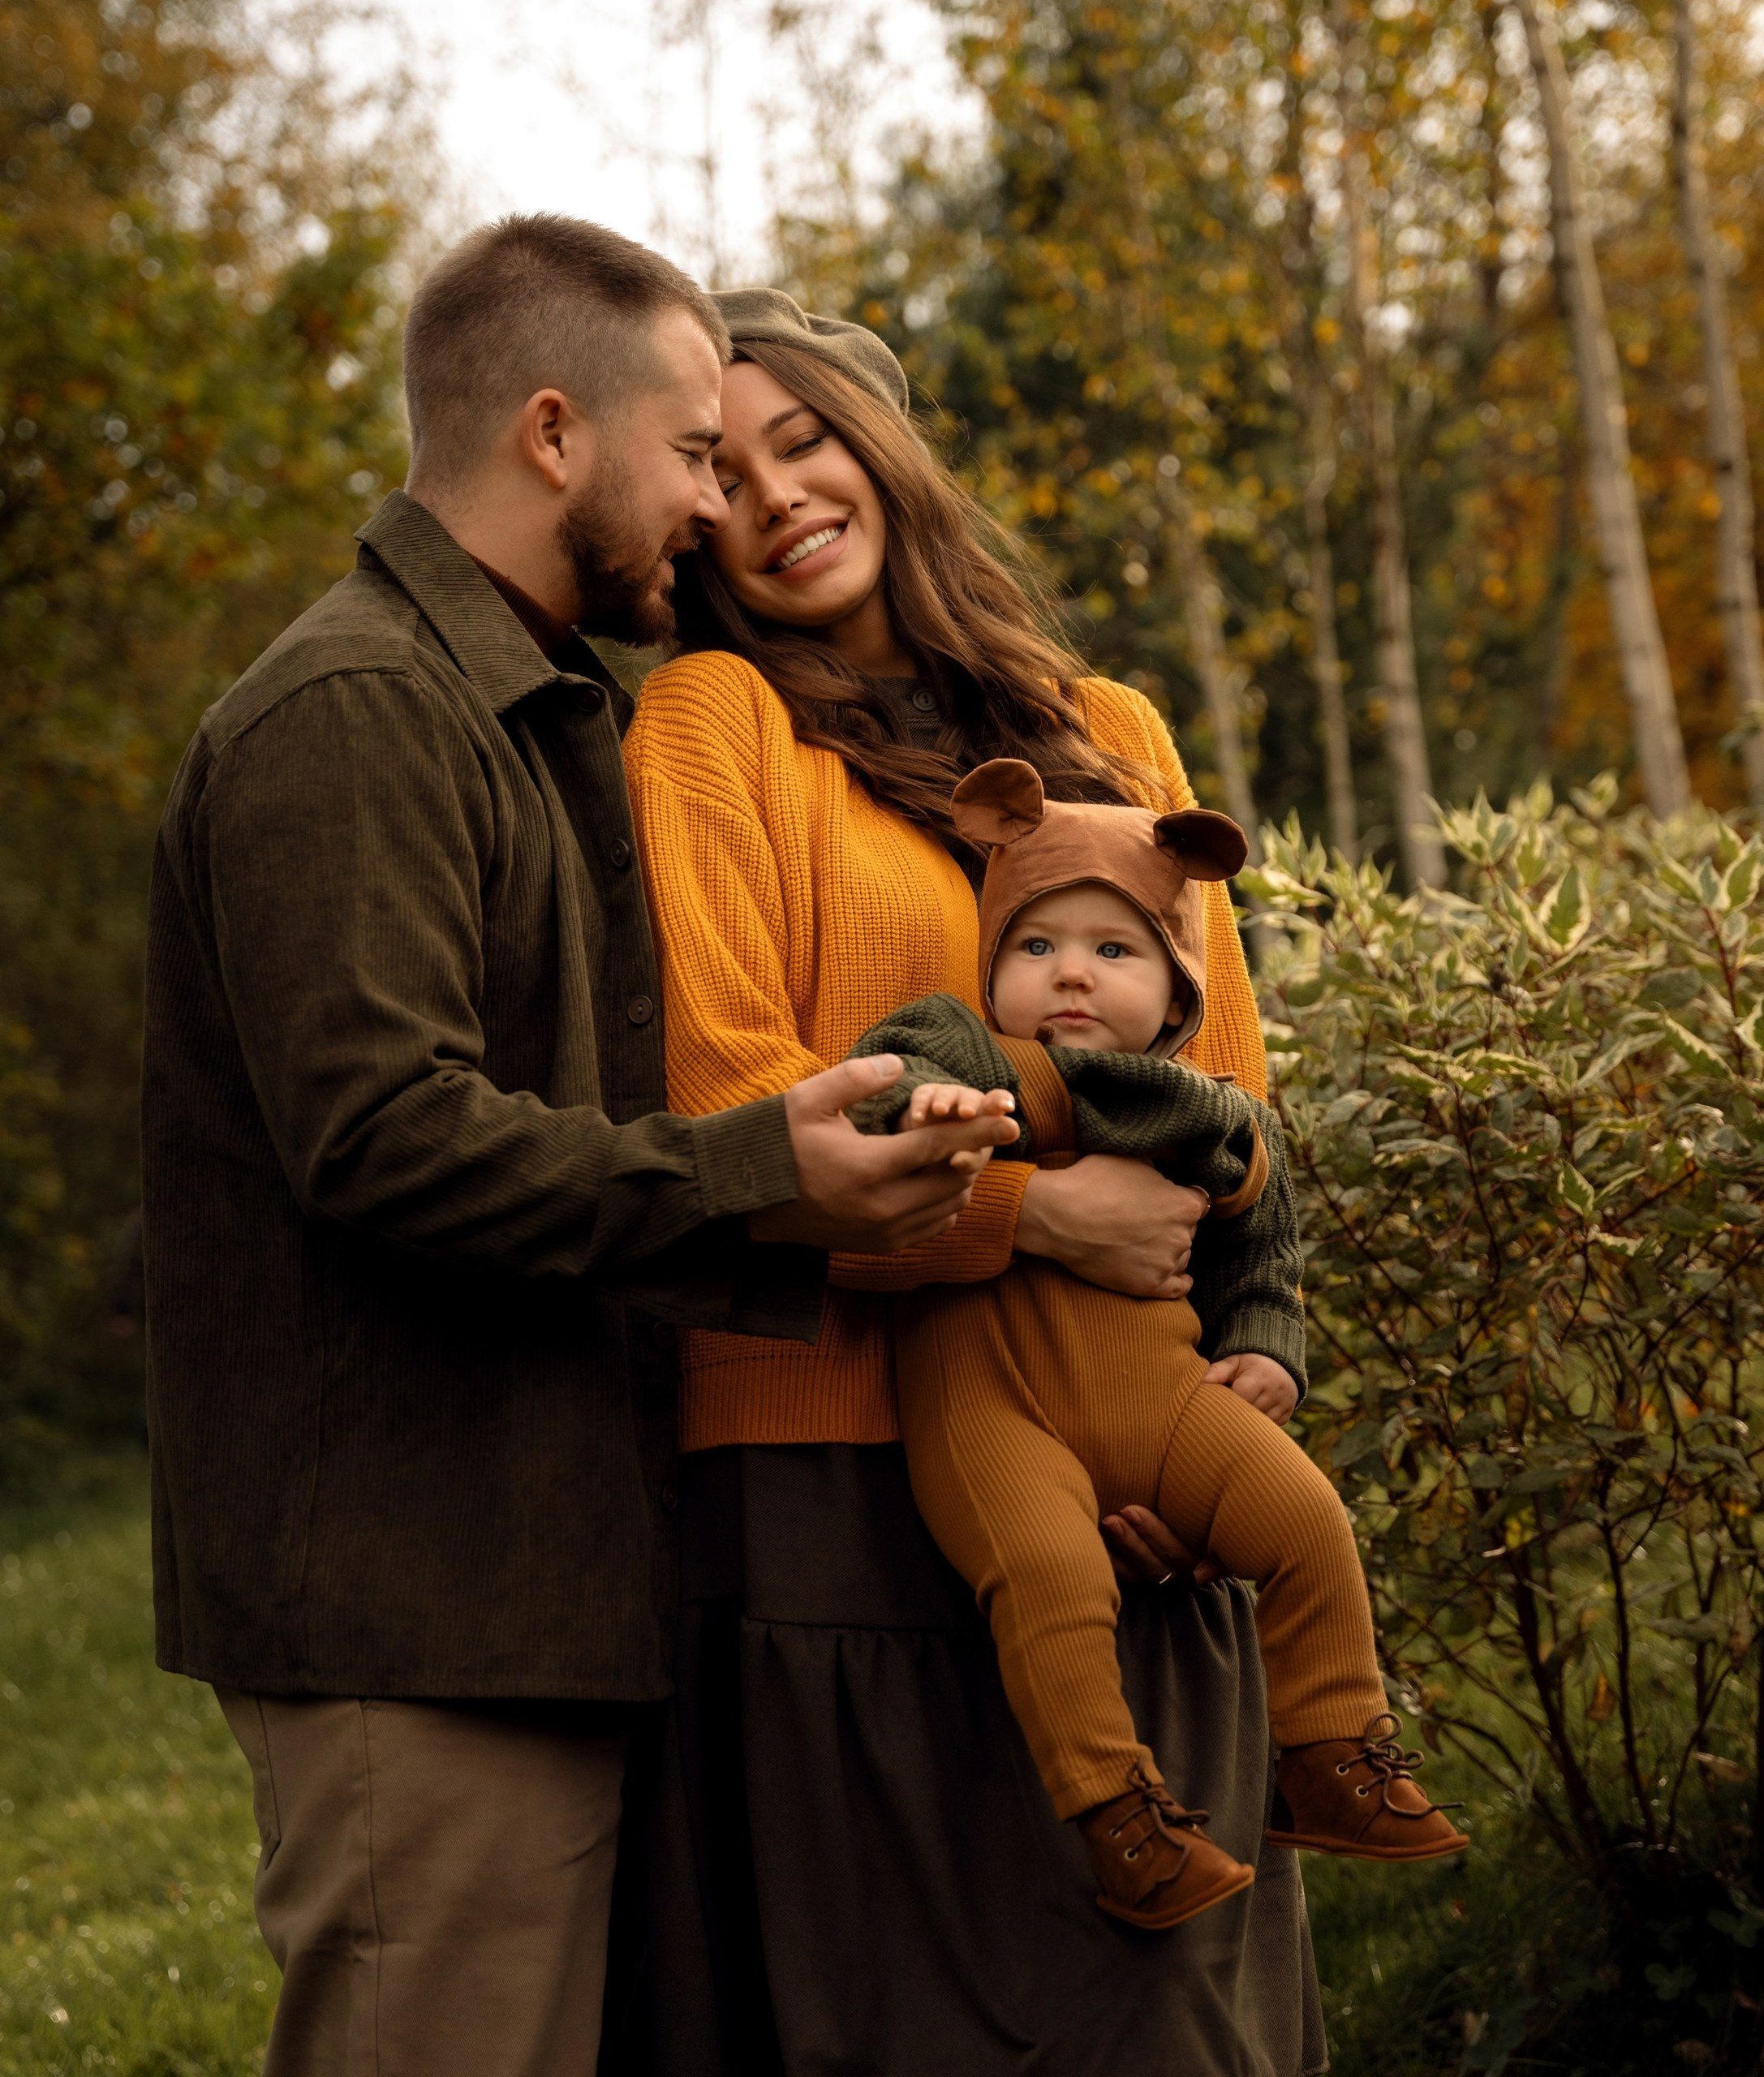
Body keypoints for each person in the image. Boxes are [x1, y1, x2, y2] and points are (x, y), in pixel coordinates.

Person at [142, 217, 1011, 2077]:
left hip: (536, 1585)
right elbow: (382, 1135)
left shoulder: (533, 711)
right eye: (692, 450)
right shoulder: (359, 706)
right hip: (414, 1602)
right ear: (554, 432)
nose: (712, 504)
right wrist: (759, 1170)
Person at [617, 288, 1328, 2075]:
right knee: (896, 2018)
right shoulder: (711, 724)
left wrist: (1221, 1390)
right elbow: (732, 1102)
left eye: (804, 441)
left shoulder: (1113, 733)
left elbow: (1225, 1095)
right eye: (722, 475)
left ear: (884, 443)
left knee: (1170, 2013)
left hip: (1130, 1443)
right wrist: (1035, 1211)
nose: (775, 498)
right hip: (831, 1467)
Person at [844, 758, 1471, 1931]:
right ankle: (1118, 1817)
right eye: (1036, 946)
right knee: (1050, 1580)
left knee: (1307, 1521)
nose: (1072, 971)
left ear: (1178, 987)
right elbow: (876, 1096)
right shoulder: (960, 1048)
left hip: (1163, 1397)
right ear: (993, 963)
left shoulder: (1212, 1115)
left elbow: (1261, 1251)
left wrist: (1267, 1349)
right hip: (992, 1408)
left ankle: (1332, 1756)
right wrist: (922, 1109)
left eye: (1114, 949)